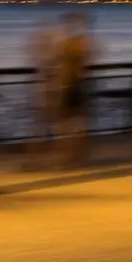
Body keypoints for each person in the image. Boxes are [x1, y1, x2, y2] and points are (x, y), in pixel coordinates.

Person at [57, 12, 95, 168]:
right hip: (75, 84)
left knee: (69, 120)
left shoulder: (75, 43)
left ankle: (73, 154)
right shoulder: (79, 42)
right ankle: (75, 153)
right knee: (76, 120)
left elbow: (75, 62)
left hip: (72, 85)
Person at [25, 18, 64, 170]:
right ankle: (43, 156)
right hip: (50, 90)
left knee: (43, 124)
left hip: (49, 90)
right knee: (47, 124)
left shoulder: (47, 57)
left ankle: (38, 157)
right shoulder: (53, 56)